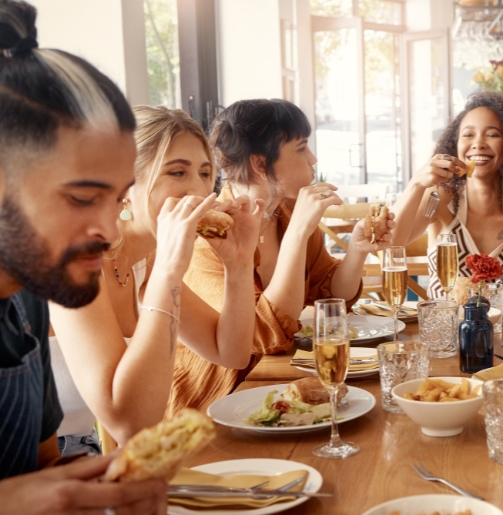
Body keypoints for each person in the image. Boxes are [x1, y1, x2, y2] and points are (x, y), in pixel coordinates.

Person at [0, 1, 164, 512]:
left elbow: (42, 467)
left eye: (118, 199)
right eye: (81, 198)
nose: (111, 230)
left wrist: (106, 490)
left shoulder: (28, 300)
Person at [49, 106, 263, 449]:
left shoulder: (143, 262)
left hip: (84, 454)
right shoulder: (73, 261)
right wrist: (169, 269)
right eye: (177, 172)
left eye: (205, 173)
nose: (199, 191)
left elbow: (231, 352)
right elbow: (128, 423)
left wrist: (238, 265)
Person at [168, 98, 394, 415]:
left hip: (283, 387)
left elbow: (331, 298)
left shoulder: (285, 213)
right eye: (301, 148)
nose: (313, 159)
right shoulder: (209, 237)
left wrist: (356, 250)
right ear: (260, 164)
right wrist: (299, 232)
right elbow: (260, 337)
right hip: (213, 404)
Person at [391, 91, 503, 297]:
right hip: (443, 328)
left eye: (492, 134)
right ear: (456, 145)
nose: (478, 143)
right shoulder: (439, 200)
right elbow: (391, 243)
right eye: (468, 135)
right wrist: (417, 184)